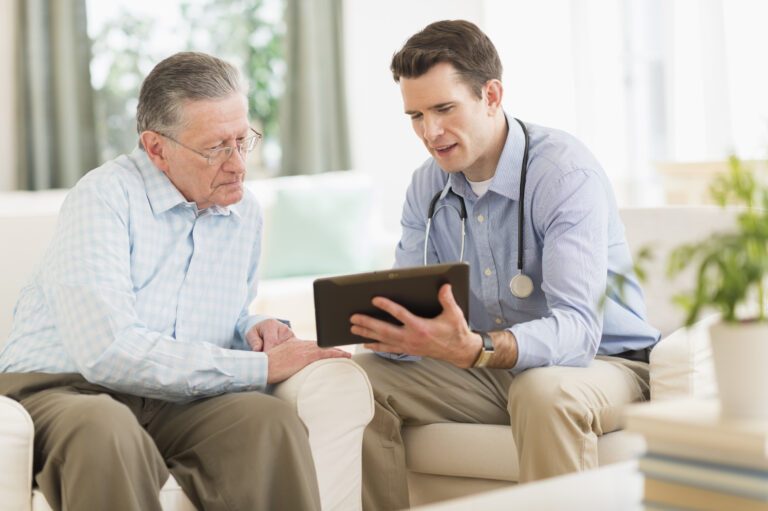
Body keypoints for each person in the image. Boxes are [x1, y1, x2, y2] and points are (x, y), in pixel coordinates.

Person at [0, 52, 349, 511]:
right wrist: (263, 368)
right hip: (64, 388)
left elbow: (214, 313)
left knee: (268, 422)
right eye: (216, 147)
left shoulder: (242, 212)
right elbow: (109, 353)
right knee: (106, 429)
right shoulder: (103, 197)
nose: (238, 164)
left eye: (243, 140)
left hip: (170, 397)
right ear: (156, 147)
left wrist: (250, 326)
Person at [350, 20, 661, 511]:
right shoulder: (425, 188)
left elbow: (579, 330)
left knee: (542, 392)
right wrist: (393, 334)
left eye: (444, 109)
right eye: (415, 116)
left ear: (491, 95)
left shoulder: (562, 173)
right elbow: (421, 312)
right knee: (356, 379)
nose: (430, 132)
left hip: (602, 363)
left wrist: (478, 347)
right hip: (488, 367)